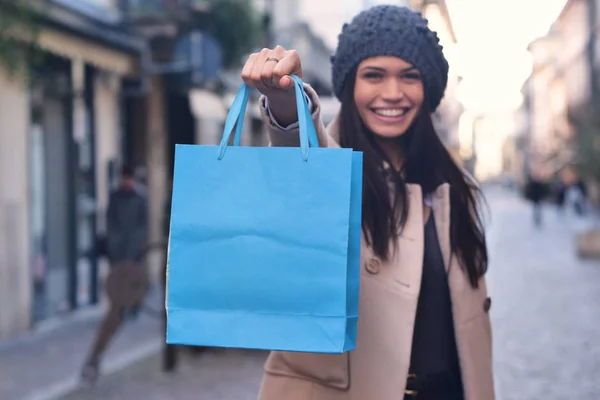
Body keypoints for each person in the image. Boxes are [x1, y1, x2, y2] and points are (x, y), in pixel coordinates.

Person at [241, 5, 493, 400]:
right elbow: (302, 164)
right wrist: (286, 105)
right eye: (373, 75)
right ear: (349, 85)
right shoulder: (333, 169)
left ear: (428, 88)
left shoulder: (451, 187)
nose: (392, 93)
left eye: (409, 76)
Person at [81, 164, 148, 384]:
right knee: (115, 313)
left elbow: (142, 227)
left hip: (134, 262)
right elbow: (112, 226)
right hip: (121, 264)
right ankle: (94, 358)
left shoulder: (140, 199)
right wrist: (118, 252)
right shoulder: (117, 199)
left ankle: (94, 358)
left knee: (119, 311)